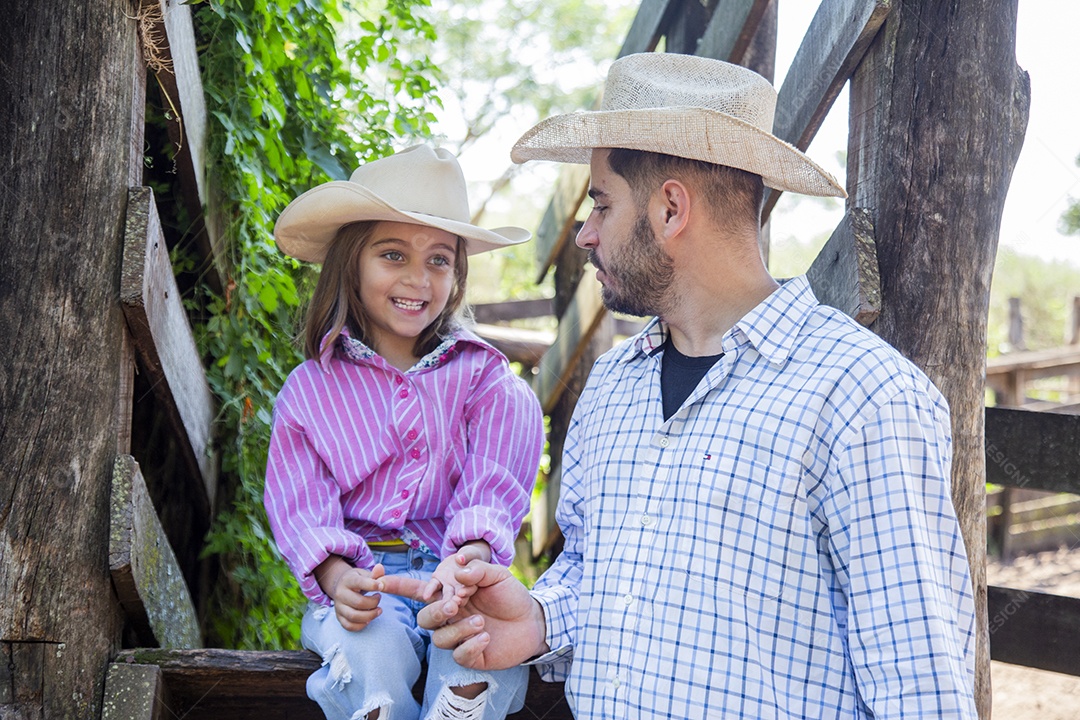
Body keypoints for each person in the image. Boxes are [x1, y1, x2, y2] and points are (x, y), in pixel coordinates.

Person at [383, 54, 979, 719]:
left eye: (602, 204)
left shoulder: (863, 398)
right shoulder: (611, 388)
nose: (585, 233)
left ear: (670, 209)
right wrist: (539, 618)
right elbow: (597, 573)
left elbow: (920, 690)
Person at [264, 144, 545, 720]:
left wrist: (467, 560)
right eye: (393, 254)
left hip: (459, 574)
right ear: (351, 262)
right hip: (363, 582)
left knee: (475, 657)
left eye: (439, 260)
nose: (418, 278)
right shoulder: (308, 391)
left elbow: (494, 485)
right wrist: (335, 574)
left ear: (458, 273)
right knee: (372, 659)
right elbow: (300, 506)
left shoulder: (487, 381)